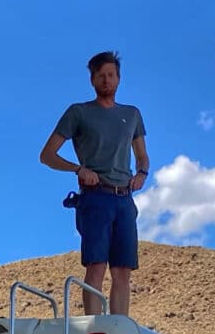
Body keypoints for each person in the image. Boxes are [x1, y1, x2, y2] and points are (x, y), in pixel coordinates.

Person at [39, 50, 150, 316]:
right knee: (96, 266)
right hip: (95, 196)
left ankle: (118, 327)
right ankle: (93, 327)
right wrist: (78, 168)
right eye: (100, 76)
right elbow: (47, 155)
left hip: (124, 197)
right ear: (92, 80)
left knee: (123, 270)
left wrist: (142, 174)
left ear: (119, 79)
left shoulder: (132, 114)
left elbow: (142, 155)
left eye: (111, 75)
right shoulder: (79, 113)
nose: (106, 80)